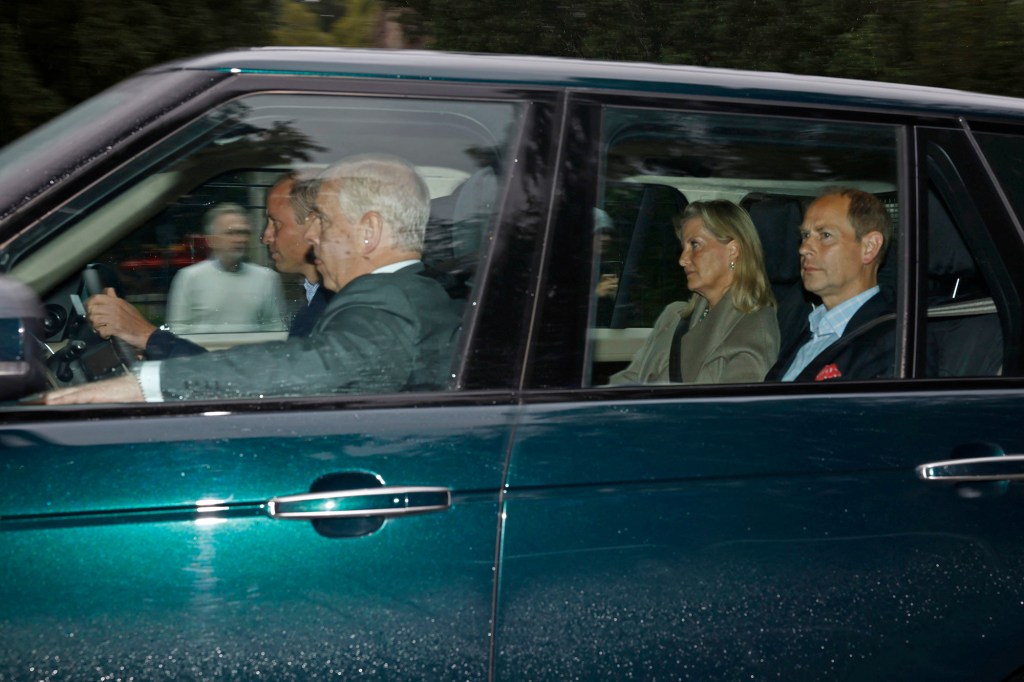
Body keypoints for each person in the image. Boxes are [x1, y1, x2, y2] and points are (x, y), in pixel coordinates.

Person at [45, 154, 463, 404]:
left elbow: (317, 366)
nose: (312, 235)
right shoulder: (410, 292)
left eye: (323, 221)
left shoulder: (389, 302)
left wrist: (144, 385)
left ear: (369, 232)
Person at [87, 174, 331, 358]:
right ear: (212, 240)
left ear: (313, 228)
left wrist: (146, 336)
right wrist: (152, 343)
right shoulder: (316, 301)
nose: (264, 237)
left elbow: (264, 380)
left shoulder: (329, 308)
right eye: (231, 233)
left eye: (275, 224)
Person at [609, 200, 779, 385]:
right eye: (683, 248)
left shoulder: (753, 327)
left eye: (695, 245)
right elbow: (628, 381)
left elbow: (732, 410)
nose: (682, 260)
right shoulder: (673, 316)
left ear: (733, 251)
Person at [768, 187, 894, 382]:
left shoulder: (891, 340)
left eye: (825, 235)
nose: (804, 248)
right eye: (805, 235)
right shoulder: (807, 325)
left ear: (869, 247)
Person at [163, 202, 286, 334]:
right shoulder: (189, 278)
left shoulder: (267, 278)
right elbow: (177, 332)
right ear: (211, 240)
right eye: (231, 233)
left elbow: (276, 330)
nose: (240, 239)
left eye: (243, 232)